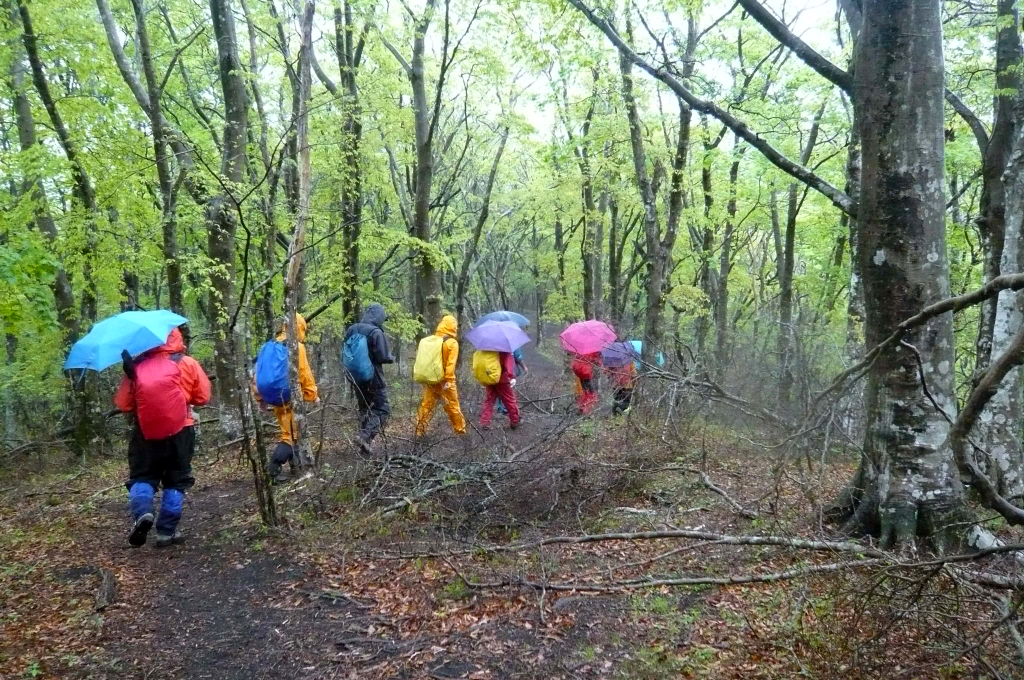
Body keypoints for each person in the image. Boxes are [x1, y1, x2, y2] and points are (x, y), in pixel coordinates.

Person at [115, 327, 211, 548]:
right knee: (176, 481)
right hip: (182, 431)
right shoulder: (187, 363)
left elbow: (123, 404)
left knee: (143, 476)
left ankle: (143, 513)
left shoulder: (136, 365)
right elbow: (204, 396)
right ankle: (166, 533)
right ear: (177, 337)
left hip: (145, 432)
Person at [262, 314, 319, 483]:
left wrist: (260, 398)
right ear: (299, 328)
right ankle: (273, 469)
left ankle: (296, 465)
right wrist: (312, 395)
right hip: (289, 396)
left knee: (290, 430)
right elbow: (304, 372)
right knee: (291, 435)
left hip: (274, 396)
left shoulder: (270, 345)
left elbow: (260, 371)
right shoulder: (296, 347)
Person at [344, 303, 395, 451]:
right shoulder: (376, 332)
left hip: (355, 377)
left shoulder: (352, 329)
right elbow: (383, 356)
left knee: (365, 408)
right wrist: (392, 357)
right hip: (374, 377)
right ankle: (364, 436)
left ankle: (364, 447)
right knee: (382, 409)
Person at [415, 315, 467, 437]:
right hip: (445, 381)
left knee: (426, 405)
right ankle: (460, 432)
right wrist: (449, 380)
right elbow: (450, 364)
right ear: (453, 327)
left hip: (431, 379)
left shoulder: (432, 341)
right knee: (453, 405)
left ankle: (419, 431)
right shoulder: (452, 343)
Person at [480, 351, 521, 430]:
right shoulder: (506, 349)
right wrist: (512, 377)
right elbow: (509, 366)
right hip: (502, 378)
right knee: (509, 400)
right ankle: (515, 421)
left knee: (489, 400)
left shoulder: (487, 348)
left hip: (490, 377)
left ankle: (485, 422)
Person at [496, 347, 527, 416]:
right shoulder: (512, 344)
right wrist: (524, 367)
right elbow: (518, 357)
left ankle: (500, 407)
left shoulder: (495, 344)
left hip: (496, 371)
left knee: (500, 389)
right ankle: (507, 409)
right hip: (509, 372)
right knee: (509, 391)